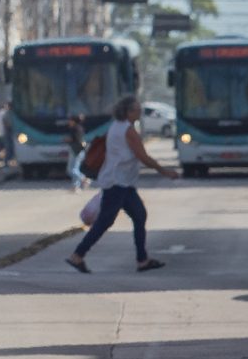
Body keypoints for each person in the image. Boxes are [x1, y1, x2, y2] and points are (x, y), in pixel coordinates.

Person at [66, 96, 179, 274]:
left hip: (122, 183)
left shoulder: (116, 127)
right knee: (104, 222)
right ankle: (77, 255)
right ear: (128, 112)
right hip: (117, 183)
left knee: (139, 216)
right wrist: (165, 171)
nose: (140, 112)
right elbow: (143, 157)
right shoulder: (127, 130)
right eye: (136, 109)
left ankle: (142, 260)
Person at [65, 114, 89, 191]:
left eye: (70, 120)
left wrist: (68, 139)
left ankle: (84, 179)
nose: (69, 122)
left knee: (71, 170)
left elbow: (76, 139)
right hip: (78, 151)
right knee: (75, 169)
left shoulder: (76, 128)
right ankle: (75, 187)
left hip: (76, 151)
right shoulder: (78, 128)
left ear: (73, 121)